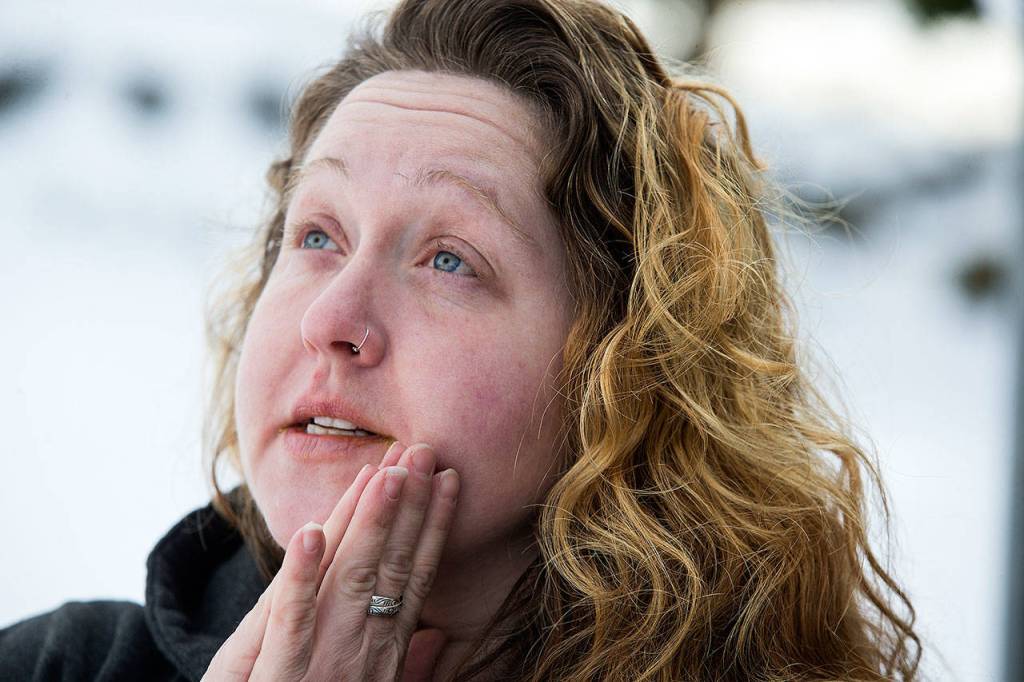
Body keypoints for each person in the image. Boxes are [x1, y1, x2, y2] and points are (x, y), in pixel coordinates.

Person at [0, 0, 924, 680]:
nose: (333, 322)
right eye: (316, 235)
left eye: (449, 259)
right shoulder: (59, 666)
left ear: (626, 369)